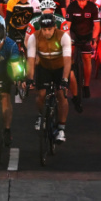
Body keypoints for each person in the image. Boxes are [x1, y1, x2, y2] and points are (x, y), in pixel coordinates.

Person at [26, 14, 72, 143]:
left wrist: (65, 79)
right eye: (44, 29)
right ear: (40, 28)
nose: (46, 32)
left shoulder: (64, 37)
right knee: (41, 95)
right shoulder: (34, 37)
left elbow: (68, 60)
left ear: (54, 28)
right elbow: (30, 60)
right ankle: (42, 116)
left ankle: (61, 128)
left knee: (61, 95)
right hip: (44, 67)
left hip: (60, 68)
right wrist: (29, 78)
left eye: (49, 29)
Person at [66, 0, 101, 106]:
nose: (81, 3)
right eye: (79, 1)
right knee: (70, 52)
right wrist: (67, 39)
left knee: (87, 59)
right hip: (74, 33)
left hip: (88, 34)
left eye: (83, 1)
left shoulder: (92, 7)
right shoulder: (71, 7)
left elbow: (96, 26)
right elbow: (67, 26)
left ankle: (86, 85)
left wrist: (94, 38)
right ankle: (70, 74)